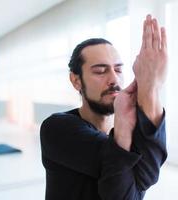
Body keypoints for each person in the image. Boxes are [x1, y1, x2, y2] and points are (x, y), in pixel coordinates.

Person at [40, 14, 167, 200]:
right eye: (100, 71)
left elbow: (147, 176)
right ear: (76, 81)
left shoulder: (131, 130)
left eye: (118, 69)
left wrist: (152, 87)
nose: (114, 79)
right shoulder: (57, 128)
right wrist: (124, 128)